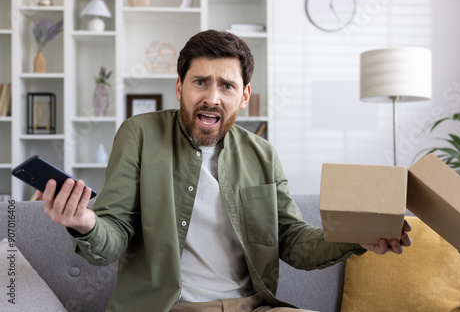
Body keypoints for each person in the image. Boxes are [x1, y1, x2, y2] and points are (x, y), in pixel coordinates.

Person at [40, 30, 412, 312]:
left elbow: (293, 240)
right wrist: (84, 222)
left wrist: (355, 237)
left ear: (245, 96)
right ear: (179, 87)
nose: (212, 97)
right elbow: (112, 238)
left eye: (227, 85)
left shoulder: (262, 154)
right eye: (200, 82)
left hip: (250, 307)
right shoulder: (139, 134)